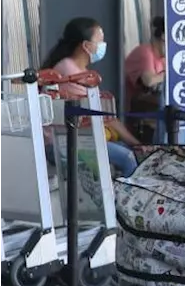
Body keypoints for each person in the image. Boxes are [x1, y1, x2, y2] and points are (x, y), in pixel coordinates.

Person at [42, 17, 142, 177]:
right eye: (100, 41)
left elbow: (105, 116)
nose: (103, 46)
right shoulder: (69, 72)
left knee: (126, 149)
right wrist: (136, 143)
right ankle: (126, 200)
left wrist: (134, 143)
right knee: (126, 157)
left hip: (75, 139)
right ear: (86, 46)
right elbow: (103, 117)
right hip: (60, 144)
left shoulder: (79, 71)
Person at [123, 16, 166, 144]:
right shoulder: (145, 52)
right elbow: (148, 81)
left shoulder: (162, 59)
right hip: (134, 118)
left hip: (152, 116)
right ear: (163, 37)